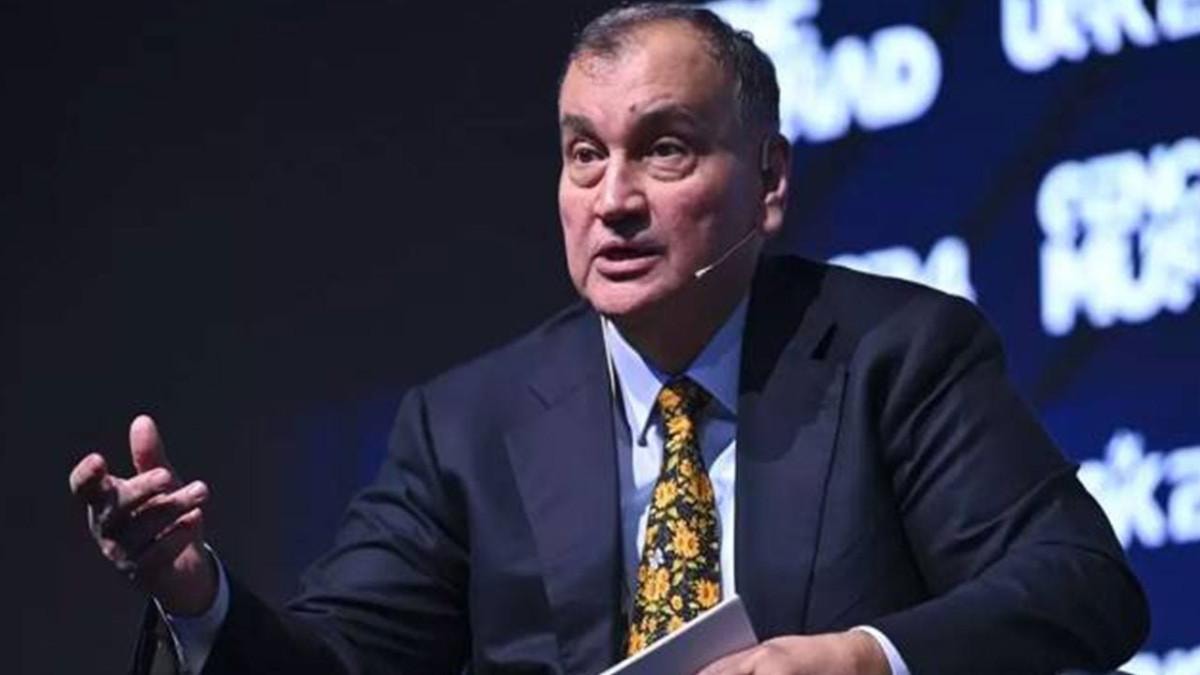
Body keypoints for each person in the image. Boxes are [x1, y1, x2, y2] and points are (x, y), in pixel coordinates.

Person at [68, 5, 1149, 674]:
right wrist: (195, 593)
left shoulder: (895, 354)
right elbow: (338, 664)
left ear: (769, 180)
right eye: (584, 155)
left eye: (664, 149)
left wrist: (863, 660)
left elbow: (1081, 586)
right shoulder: (469, 423)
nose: (614, 200)